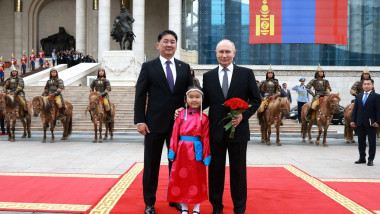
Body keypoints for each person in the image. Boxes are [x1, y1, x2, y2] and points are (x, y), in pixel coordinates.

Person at [134, 30, 193, 214]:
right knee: (151, 165)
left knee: (176, 164)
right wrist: (139, 121)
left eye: (173, 42)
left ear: (177, 45)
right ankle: (149, 202)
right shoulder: (148, 67)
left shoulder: (184, 67)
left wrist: (189, 112)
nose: (169, 45)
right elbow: (140, 94)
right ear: (158, 45)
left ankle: (175, 198)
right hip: (153, 124)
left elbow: (190, 94)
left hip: (178, 125)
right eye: (165, 41)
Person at [202, 39, 261, 214]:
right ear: (216, 54)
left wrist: (244, 115)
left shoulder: (246, 73)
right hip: (216, 132)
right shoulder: (208, 76)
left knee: (238, 172)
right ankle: (217, 207)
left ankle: (239, 207)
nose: (224, 55)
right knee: (215, 172)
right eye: (221, 52)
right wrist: (187, 108)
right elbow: (205, 102)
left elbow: (256, 100)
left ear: (234, 53)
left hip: (239, 131)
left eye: (228, 52)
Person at [167, 86, 211, 214]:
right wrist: (172, 151)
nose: (194, 100)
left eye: (197, 97)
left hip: (197, 152)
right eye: (191, 97)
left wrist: (206, 154)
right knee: (182, 179)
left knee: (198, 179)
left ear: (202, 99)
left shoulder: (204, 118)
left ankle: (197, 208)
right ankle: (184, 207)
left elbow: (206, 138)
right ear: (186, 99)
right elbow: (174, 134)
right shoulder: (180, 115)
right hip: (181, 151)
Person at [350, 79, 380, 166]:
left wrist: (378, 122)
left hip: (372, 123)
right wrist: (353, 120)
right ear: (362, 85)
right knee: (361, 142)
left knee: (371, 142)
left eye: (368, 84)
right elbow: (355, 110)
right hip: (360, 123)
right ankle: (362, 158)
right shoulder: (359, 96)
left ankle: (370, 159)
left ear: (372, 85)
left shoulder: (377, 96)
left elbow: (379, 110)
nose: (366, 86)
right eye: (365, 84)